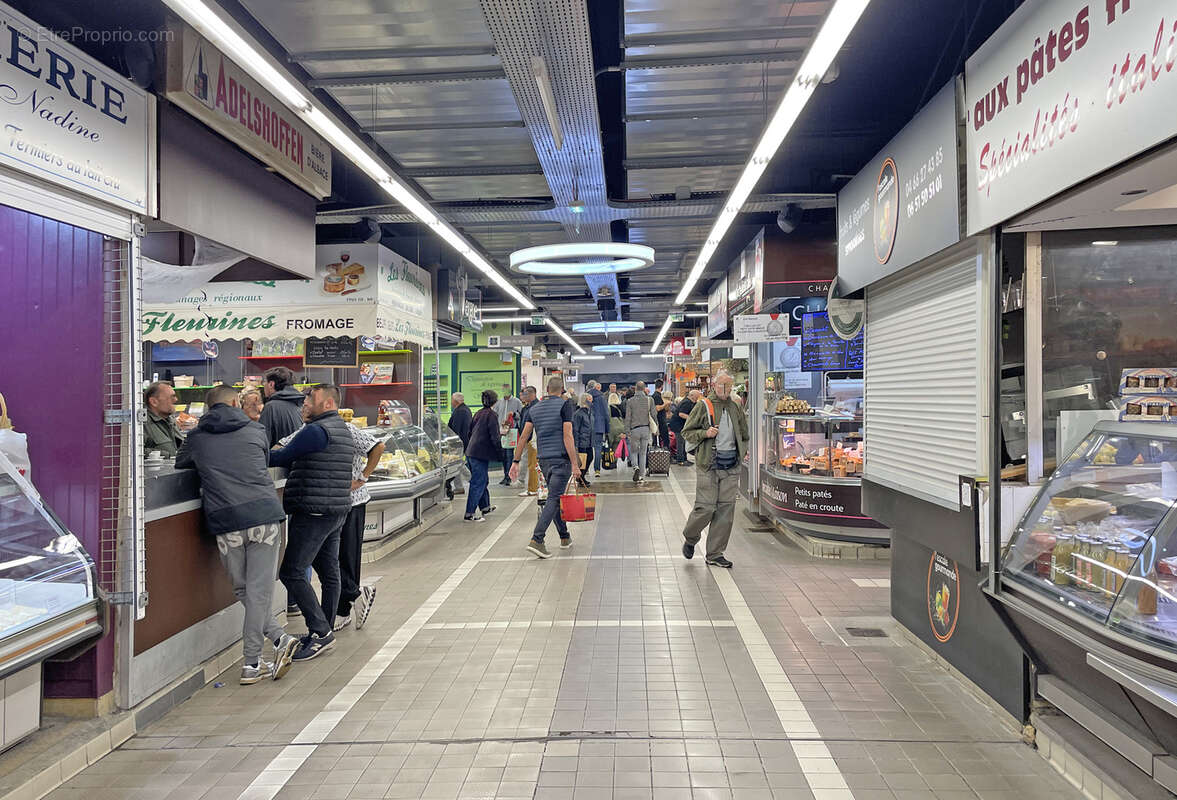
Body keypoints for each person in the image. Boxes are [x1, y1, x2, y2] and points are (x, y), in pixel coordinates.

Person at [174, 385, 299, 684]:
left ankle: (276, 641)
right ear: (235, 402)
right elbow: (262, 459)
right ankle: (254, 661)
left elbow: (181, 464)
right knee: (257, 592)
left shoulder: (196, 437)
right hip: (263, 516)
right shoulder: (256, 431)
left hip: (226, 520)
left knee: (244, 590)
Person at [269, 384, 353, 660]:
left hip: (313, 510)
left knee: (291, 572)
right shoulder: (340, 428)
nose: (304, 403)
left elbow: (280, 456)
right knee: (329, 571)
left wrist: (247, 452)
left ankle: (320, 631)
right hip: (335, 509)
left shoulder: (317, 430)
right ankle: (324, 630)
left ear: (328, 403)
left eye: (310, 399)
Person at [680, 372, 749, 569]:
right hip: (708, 465)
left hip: (731, 466)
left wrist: (742, 452)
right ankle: (691, 538)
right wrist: (705, 433)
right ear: (714, 385)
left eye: (729, 386)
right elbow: (687, 432)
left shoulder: (735, 406)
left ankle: (715, 554)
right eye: (722, 386)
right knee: (706, 508)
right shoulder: (703, 405)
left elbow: (744, 433)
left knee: (725, 511)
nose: (725, 390)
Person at [511, 376, 581, 559]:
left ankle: (564, 537)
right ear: (562, 390)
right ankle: (537, 539)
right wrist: (575, 463)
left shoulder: (534, 408)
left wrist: (515, 461)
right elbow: (567, 435)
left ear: (547, 389)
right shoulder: (565, 405)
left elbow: (524, 436)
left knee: (554, 498)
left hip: (543, 460)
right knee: (554, 499)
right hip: (561, 459)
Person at [464, 389, 501, 522]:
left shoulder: (478, 413)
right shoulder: (492, 415)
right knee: (478, 482)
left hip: (471, 451)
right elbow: (495, 437)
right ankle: (469, 513)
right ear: (495, 401)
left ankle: (485, 507)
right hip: (480, 453)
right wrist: (500, 453)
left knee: (482, 480)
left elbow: (469, 432)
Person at [259, 366, 306, 447]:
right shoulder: (302, 405)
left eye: (264, 382)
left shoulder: (271, 407)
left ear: (271, 384)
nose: (263, 385)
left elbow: (262, 441)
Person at [623, 380, 654, 484]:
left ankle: (635, 467)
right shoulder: (650, 400)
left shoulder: (630, 401)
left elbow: (628, 417)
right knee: (643, 453)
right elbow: (654, 415)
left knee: (634, 451)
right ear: (644, 388)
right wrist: (656, 428)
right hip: (645, 428)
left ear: (636, 389)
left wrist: (627, 431)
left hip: (634, 429)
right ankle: (641, 476)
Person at [492, 384, 523, 486]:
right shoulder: (499, 403)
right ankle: (505, 475)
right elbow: (494, 415)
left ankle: (509, 477)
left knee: (509, 455)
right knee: (503, 455)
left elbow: (521, 415)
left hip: (511, 431)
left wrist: (514, 415)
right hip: (501, 432)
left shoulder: (517, 402)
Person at [143, 381, 183, 457]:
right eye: (171, 397)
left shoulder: (170, 420)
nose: (176, 399)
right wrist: (166, 455)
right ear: (154, 402)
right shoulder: (142, 424)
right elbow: (136, 452)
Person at [447, 392, 473, 496]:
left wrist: (452, 443)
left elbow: (455, 429)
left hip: (459, 442)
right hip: (465, 441)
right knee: (456, 464)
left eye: (452, 400)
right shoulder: (466, 409)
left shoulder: (459, 411)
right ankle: (459, 486)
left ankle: (471, 480)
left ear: (455, 401)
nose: (451, 402)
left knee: (458, 464)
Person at [516, 386, 540, 497]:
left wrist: (528, 439)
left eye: (525, 394)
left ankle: (533, 488)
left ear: (532, 394)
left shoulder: (535, 407)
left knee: (532, 465)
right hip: (527, 439)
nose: (523, 397)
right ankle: (534, 487)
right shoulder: (527, 407)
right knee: (530, 463)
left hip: (532, 440)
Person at [672, 389, 701, 465]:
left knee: (683, 442)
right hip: (678, 425)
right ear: (691, 396)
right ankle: (680, 460)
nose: (697, 399)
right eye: (696, 397)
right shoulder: (687, 402)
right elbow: (681, 414)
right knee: (680, 442)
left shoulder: (689, 401)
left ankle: (684, 459)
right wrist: (692, 419)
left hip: (681, 425)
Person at [572, 393, 595, 487]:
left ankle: (582, 476)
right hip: (582, 441)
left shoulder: (590, 413)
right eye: (590, 399)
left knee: (590, 457)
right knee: (582, 461)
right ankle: (581, 478)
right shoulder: (578, 414)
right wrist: (576, 444)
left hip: (589, 441)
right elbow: (576, 429)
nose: (591, 401)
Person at [587, 380, 609, 478]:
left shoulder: (585, 397)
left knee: (586, 448)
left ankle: (585, 469)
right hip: (599, 426)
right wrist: (607, 428)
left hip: (587, 425)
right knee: (598, 448)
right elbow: (606, 413)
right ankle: (597, 470)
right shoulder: (601, 397)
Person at [653, 379, 671, 448]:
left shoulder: (657, 395)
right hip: (660, 421)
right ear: (661, 386)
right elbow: (657, 408)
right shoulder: (657, 396)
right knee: (665, 440)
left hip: (660, 420)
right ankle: (665, 453)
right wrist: (666, 403)